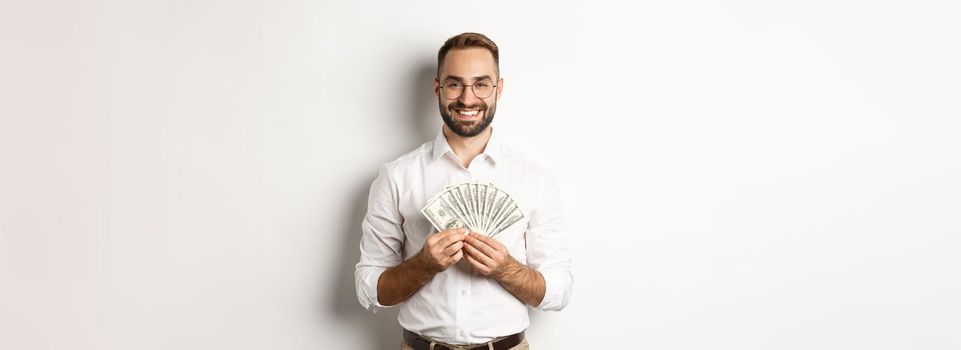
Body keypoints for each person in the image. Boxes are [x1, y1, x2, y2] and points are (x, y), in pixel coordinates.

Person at [355, 32, 573, 350]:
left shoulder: (534, 178)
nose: (467, 99)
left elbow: (560, 290)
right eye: (455, 84)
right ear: (437, 88)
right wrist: (424, 264)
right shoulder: (397, 176)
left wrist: (506, 268)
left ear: (498, 89)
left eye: (481, 84)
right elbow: (369, 289)